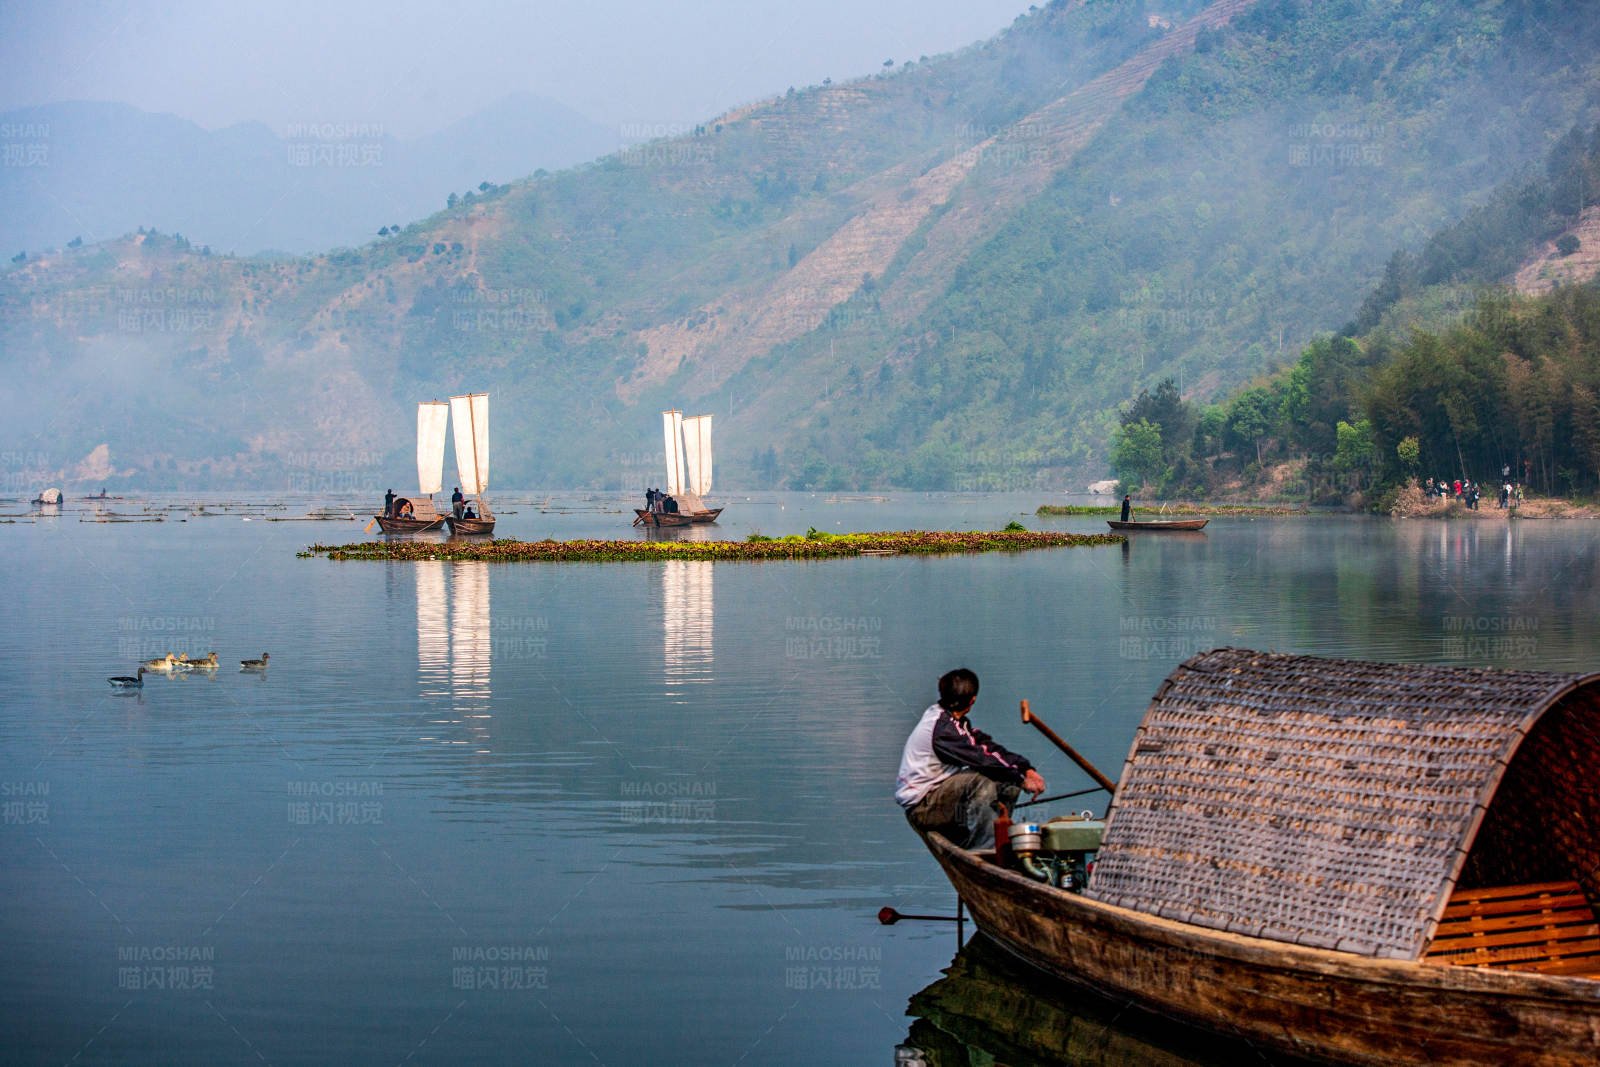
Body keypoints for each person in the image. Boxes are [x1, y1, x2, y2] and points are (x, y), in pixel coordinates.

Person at [896, 668, 1045, 851]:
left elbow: (986, 747)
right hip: (922, 807)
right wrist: (1022, 779)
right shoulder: (943, 729)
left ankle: (998, 838)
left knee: (1008, 782)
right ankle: (986, 850)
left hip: (940, 795)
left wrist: (1025, 769)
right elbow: (982, 760)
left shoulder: (955, 722)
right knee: (980, 780)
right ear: (972, 700)